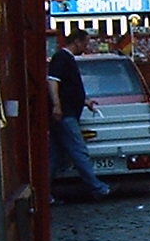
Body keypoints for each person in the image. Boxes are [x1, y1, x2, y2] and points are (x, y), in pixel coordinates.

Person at [46, 38, 110, 201]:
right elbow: (53, 81)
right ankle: (97, 187)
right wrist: (56, 106)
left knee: (54, 155)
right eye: (84, 43)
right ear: (77, 42)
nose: (86, 46)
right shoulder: (62, 58)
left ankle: (43, 192)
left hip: (66, 112)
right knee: (78, 150)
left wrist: (85, 101)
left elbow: (68, 89)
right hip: (66, 114)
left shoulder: (65, 58)